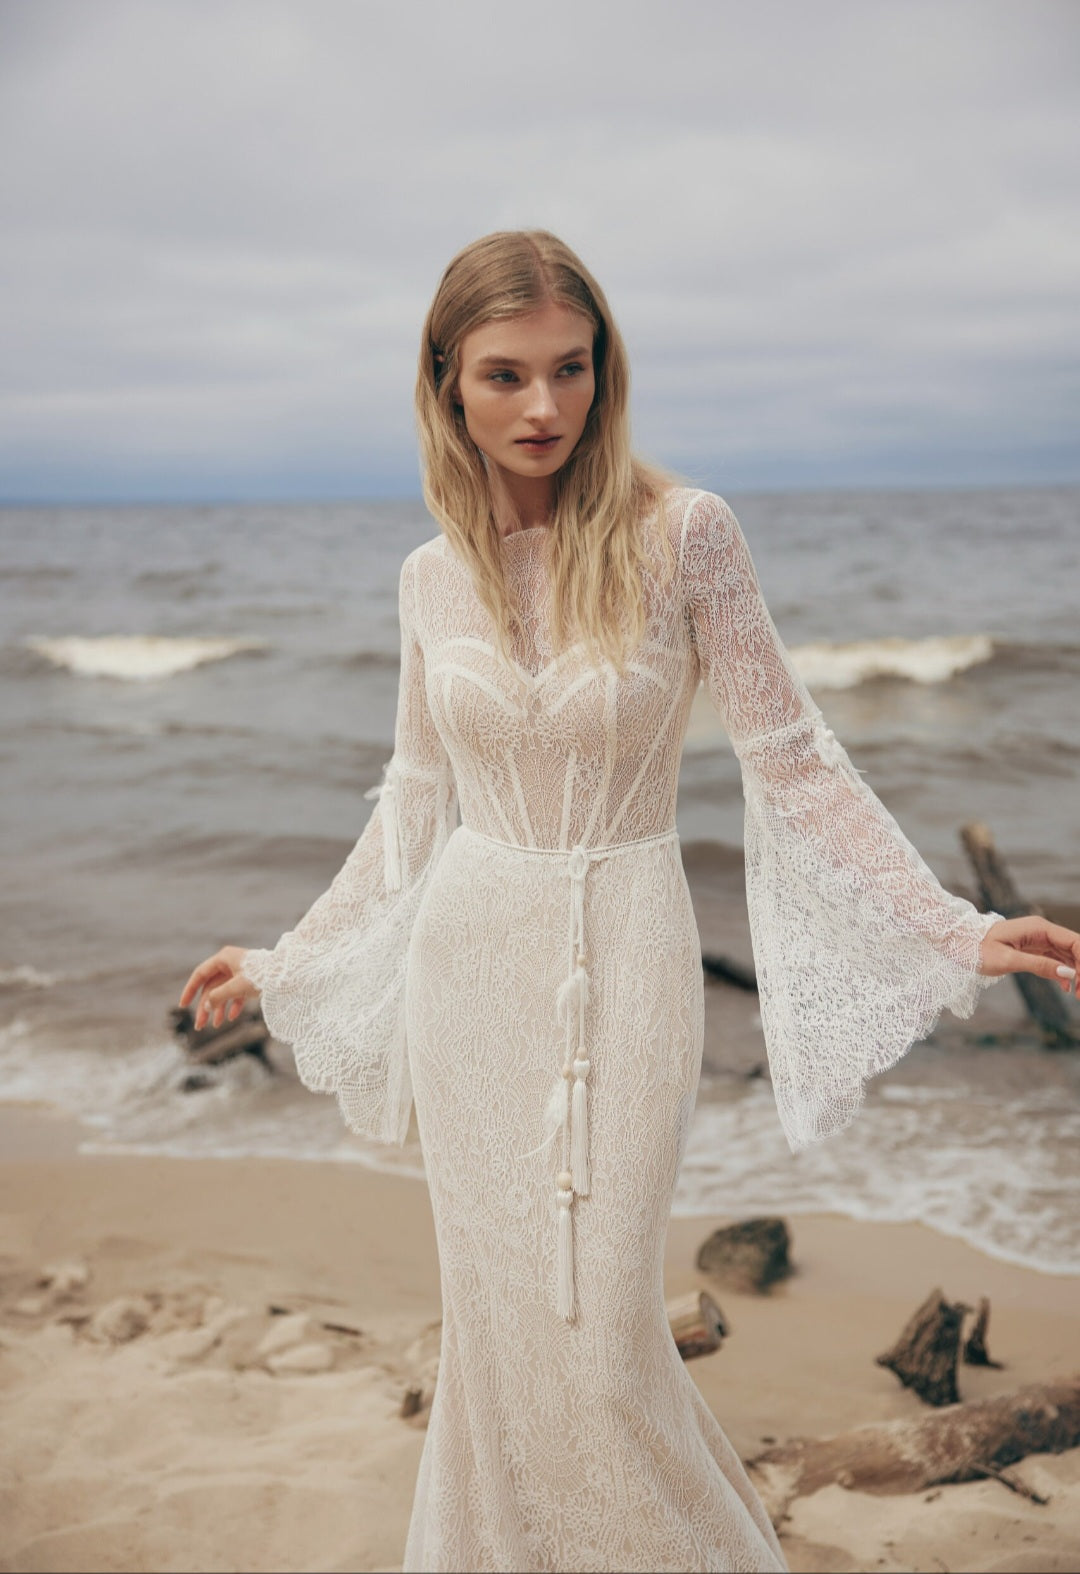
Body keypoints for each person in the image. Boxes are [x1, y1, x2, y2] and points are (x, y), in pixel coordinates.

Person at [179, 229, 1080, 1574]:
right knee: (498, 1330)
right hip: (470, 966)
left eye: (571, 370)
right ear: (445, 385)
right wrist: (288, 960)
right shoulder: (431, 579)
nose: (544, 408)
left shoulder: (686, 535)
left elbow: (793, 761)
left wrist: (952, 924)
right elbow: (412, 808)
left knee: (602, 1332)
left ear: (605, 373)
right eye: (505, 375)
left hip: (630, 951)